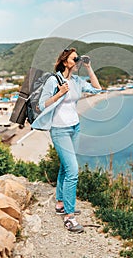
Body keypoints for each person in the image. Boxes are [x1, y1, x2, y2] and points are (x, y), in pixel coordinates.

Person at [31, 47, 101, 233]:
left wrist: (88, 67)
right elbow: (41, 105)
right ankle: (69, 218)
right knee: (72, 171)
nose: (76, 61)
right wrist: (59, 93)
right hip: (59, 130)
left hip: (74, 128)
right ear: (64, 62)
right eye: (74, 59)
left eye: (77, 59)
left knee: (65, 167)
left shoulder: (77, 81)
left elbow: (97, 89)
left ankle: (60, 204)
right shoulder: (54, 80)